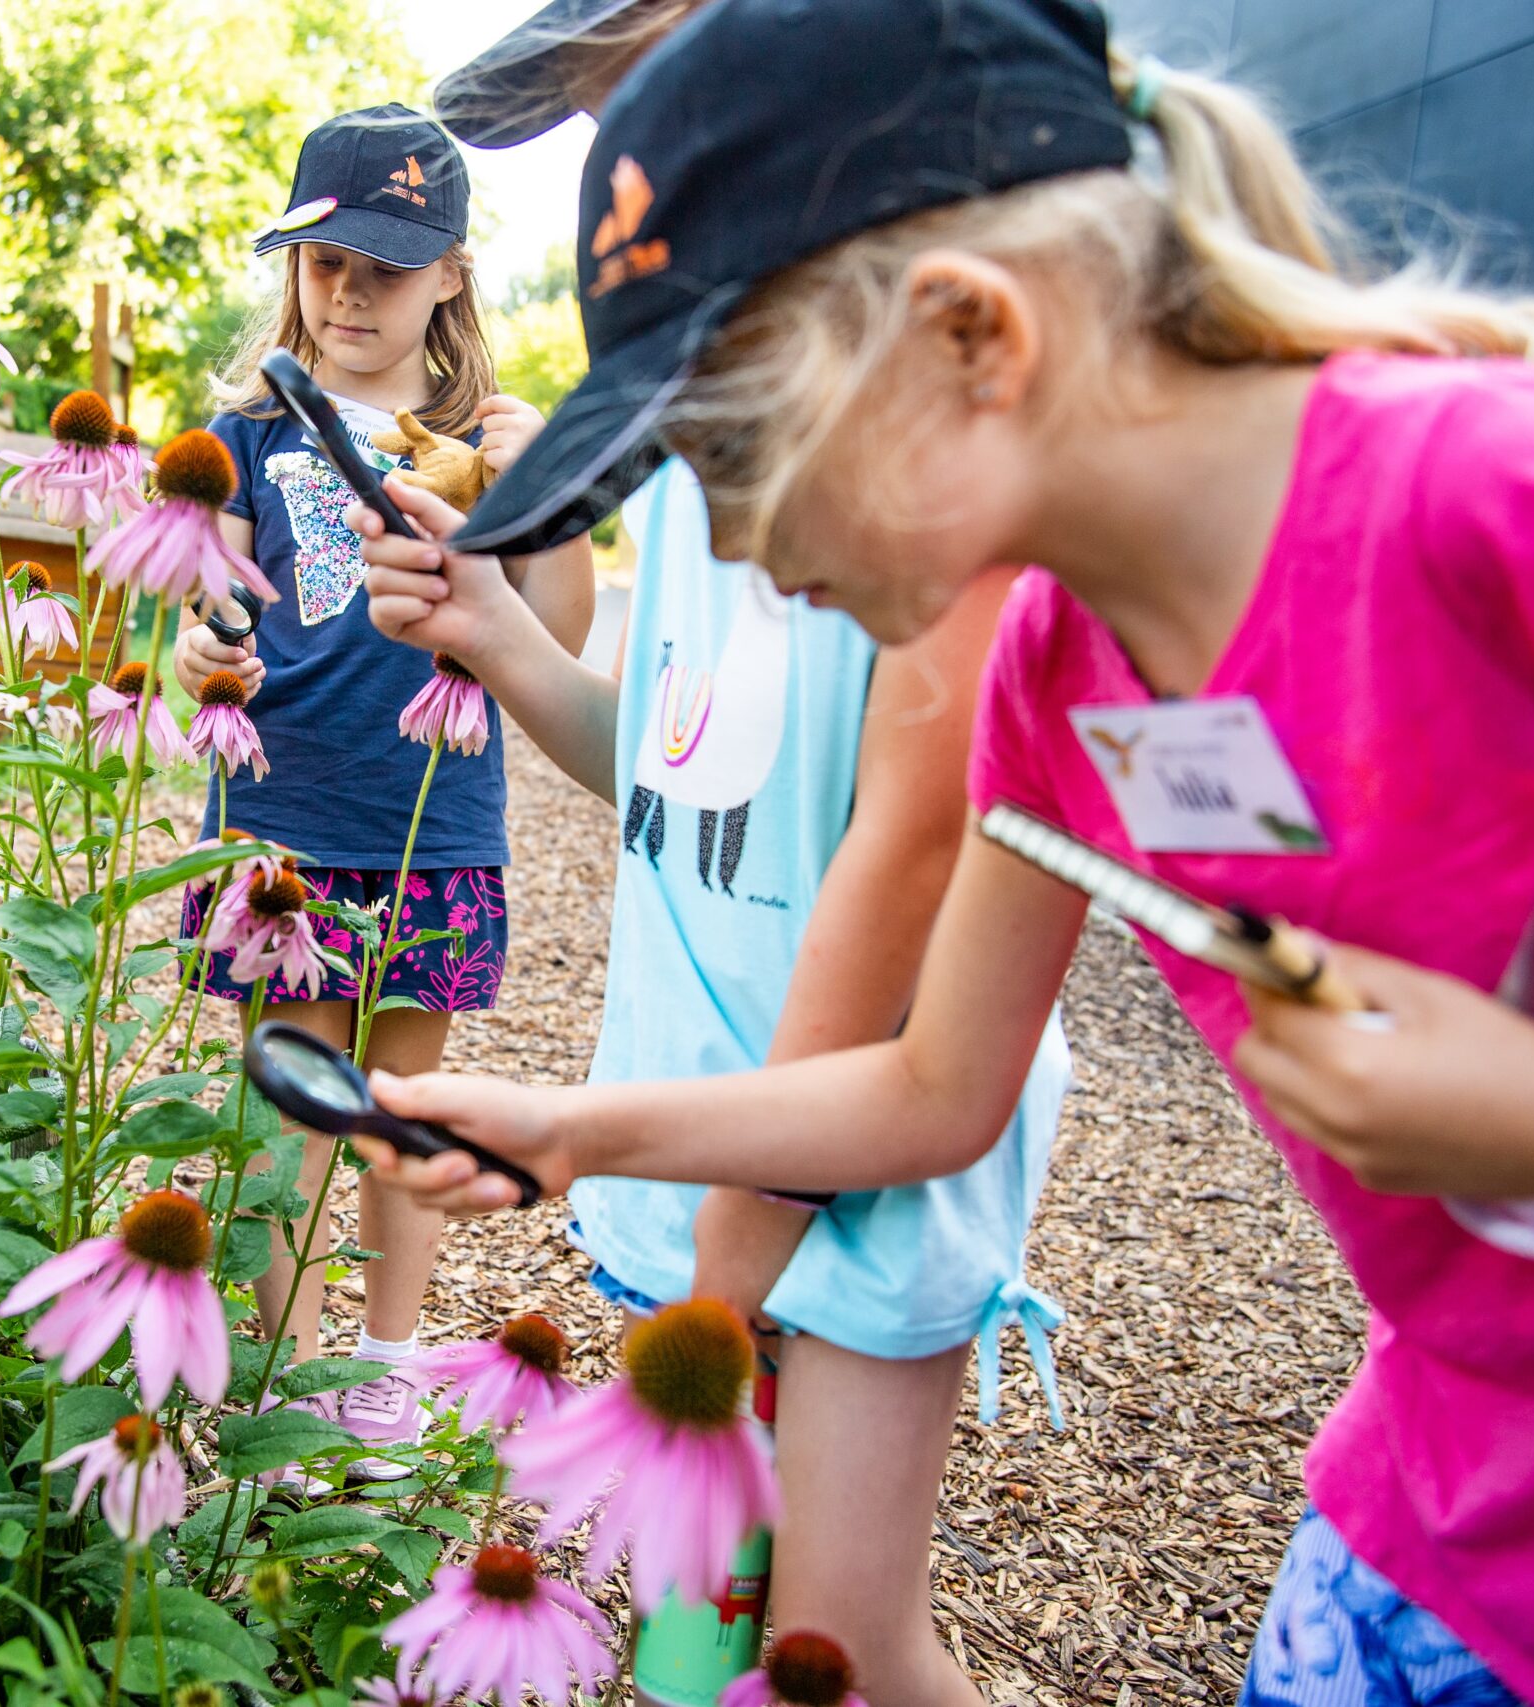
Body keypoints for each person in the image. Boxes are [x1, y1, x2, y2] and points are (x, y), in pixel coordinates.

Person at [347, 2, 1534, 1702]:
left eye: (736, 458)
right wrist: (572, 1131)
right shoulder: (1057, 669)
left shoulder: (1495, 494)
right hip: (1436, 1509)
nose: (736, 546)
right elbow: (936, 1086)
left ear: (970, 340)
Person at [351, 13, 1069, 1704]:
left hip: (849, 1156)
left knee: (837, 1633)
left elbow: (903, 862)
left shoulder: (908, 468)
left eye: (646, 110)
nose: (627, 178)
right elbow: (683, 786)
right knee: (696, 1619)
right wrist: (506, 637)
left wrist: (733, 1267)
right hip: (691, 1134)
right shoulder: (691, 463)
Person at [177, 104, 593, 1476]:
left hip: (434, 813)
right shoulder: (246, 431)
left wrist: (551, 498)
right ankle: (283, 1383)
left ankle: (387, 1372)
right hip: (288, 819)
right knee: (295, 1117)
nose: (349, 293)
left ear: (454, 274)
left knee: (405, 1117)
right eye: (324, 263)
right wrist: (198, 644)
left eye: (385, 267)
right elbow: (216, 605)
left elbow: (563, 633)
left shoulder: (486, 440)